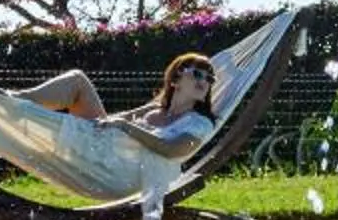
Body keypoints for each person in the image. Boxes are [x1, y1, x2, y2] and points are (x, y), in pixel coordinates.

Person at [19, 53, 218, 158]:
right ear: (175, 80)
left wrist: (126, 126)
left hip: (117, 169)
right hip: (102, 145)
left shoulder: (199, 123)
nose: (204, 81)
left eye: (210, 78)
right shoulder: (154, 109)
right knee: (77, 80)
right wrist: (113, 123)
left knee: (77, 82)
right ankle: (17, 100)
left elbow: (172, 150)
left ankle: (17, 105)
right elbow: (118, 119)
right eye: (197, 74)